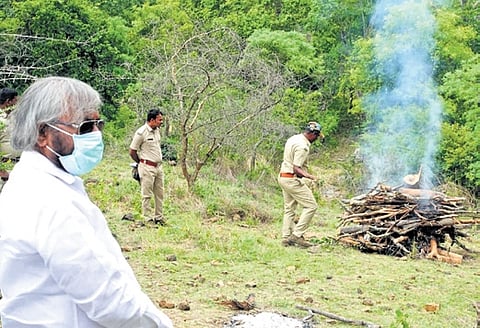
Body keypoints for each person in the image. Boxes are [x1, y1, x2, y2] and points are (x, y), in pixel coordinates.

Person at [0, 77, 173, 328]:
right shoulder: (50, 201)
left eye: (97, 124)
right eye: (84, 127)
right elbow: (108, 301)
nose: (96, 135)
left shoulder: (30, 182)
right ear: (42, 134)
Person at [278, 122, 325, 248]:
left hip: (283, 176)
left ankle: (286, 237)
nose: (316, 139)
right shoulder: (303, 147)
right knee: (311, 206)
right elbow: (296, 169)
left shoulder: (294, 138)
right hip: (291, 179)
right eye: (316, 136)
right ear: (312, 134)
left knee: (289, 209)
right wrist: (311, 177)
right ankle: (297, 236)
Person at [129, 109, 165, 225]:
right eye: (159, 120)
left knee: (159, 193)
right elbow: (132, 151)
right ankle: (147, 219)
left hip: (158, 167)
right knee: (147, 194)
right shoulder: (141, 132)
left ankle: (159, 218)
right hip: (146, 167)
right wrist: (140, 162)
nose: (161, 122)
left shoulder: (157, 131)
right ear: (152, 120)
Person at [0, 88, 19, 191]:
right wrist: (2, 172)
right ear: (8, 102)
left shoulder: (15, 118)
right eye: (16, 101)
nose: (17, 105)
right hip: (5, 169)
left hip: (18, 166)